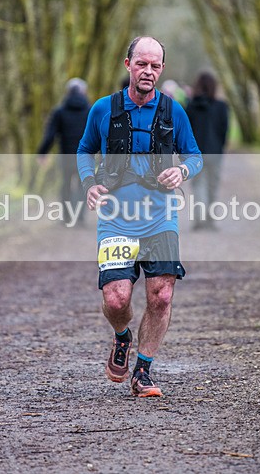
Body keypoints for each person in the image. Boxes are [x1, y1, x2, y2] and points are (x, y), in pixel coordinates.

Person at [77, 36, 203, 397]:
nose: (148, 71)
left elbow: (194, 155)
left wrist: (183, 172)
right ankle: (122, 337)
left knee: (161, 295)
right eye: (142, 64)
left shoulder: (173, 110)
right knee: (117, 299)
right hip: (116, 217)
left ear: (162, 69)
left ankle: (143, 372)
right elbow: (85, 150)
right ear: (127, 64)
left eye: (156, 66)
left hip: (160, 217)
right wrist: (89, 182)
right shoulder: (103, 109)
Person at [37, 78, 90, 225]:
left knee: (65, 184)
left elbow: (50, 135)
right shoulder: (90, 110)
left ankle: (66, 217)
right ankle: (79, 217)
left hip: (65, 155)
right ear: (84, 92)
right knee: (82, 185)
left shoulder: (59, 111)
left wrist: (42, 153)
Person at [186, 71, 229, 230]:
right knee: (213, 186)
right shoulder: (221, 106)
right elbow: (224, 130)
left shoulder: (190, 106)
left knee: (198, 186)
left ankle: (199, 220)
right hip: (215, 152)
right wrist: (220, 147)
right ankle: (210, 220)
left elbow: (186, 131)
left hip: (195, 153)